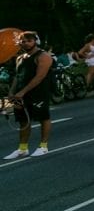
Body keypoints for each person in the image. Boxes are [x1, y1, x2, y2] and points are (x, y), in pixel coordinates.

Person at [4, 31, 53, 159]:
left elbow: (39, 77)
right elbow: (17, 76)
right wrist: (12, 92)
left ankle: (43, 146)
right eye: (22, 41)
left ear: (35, 41)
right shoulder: (20, 58)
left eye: (28, 40)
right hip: (20, 95)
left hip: (38, 93)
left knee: (43, 117)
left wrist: (23, 91)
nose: (25, 43)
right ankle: (22, 148)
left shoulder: (43, 56)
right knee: (23, 120)